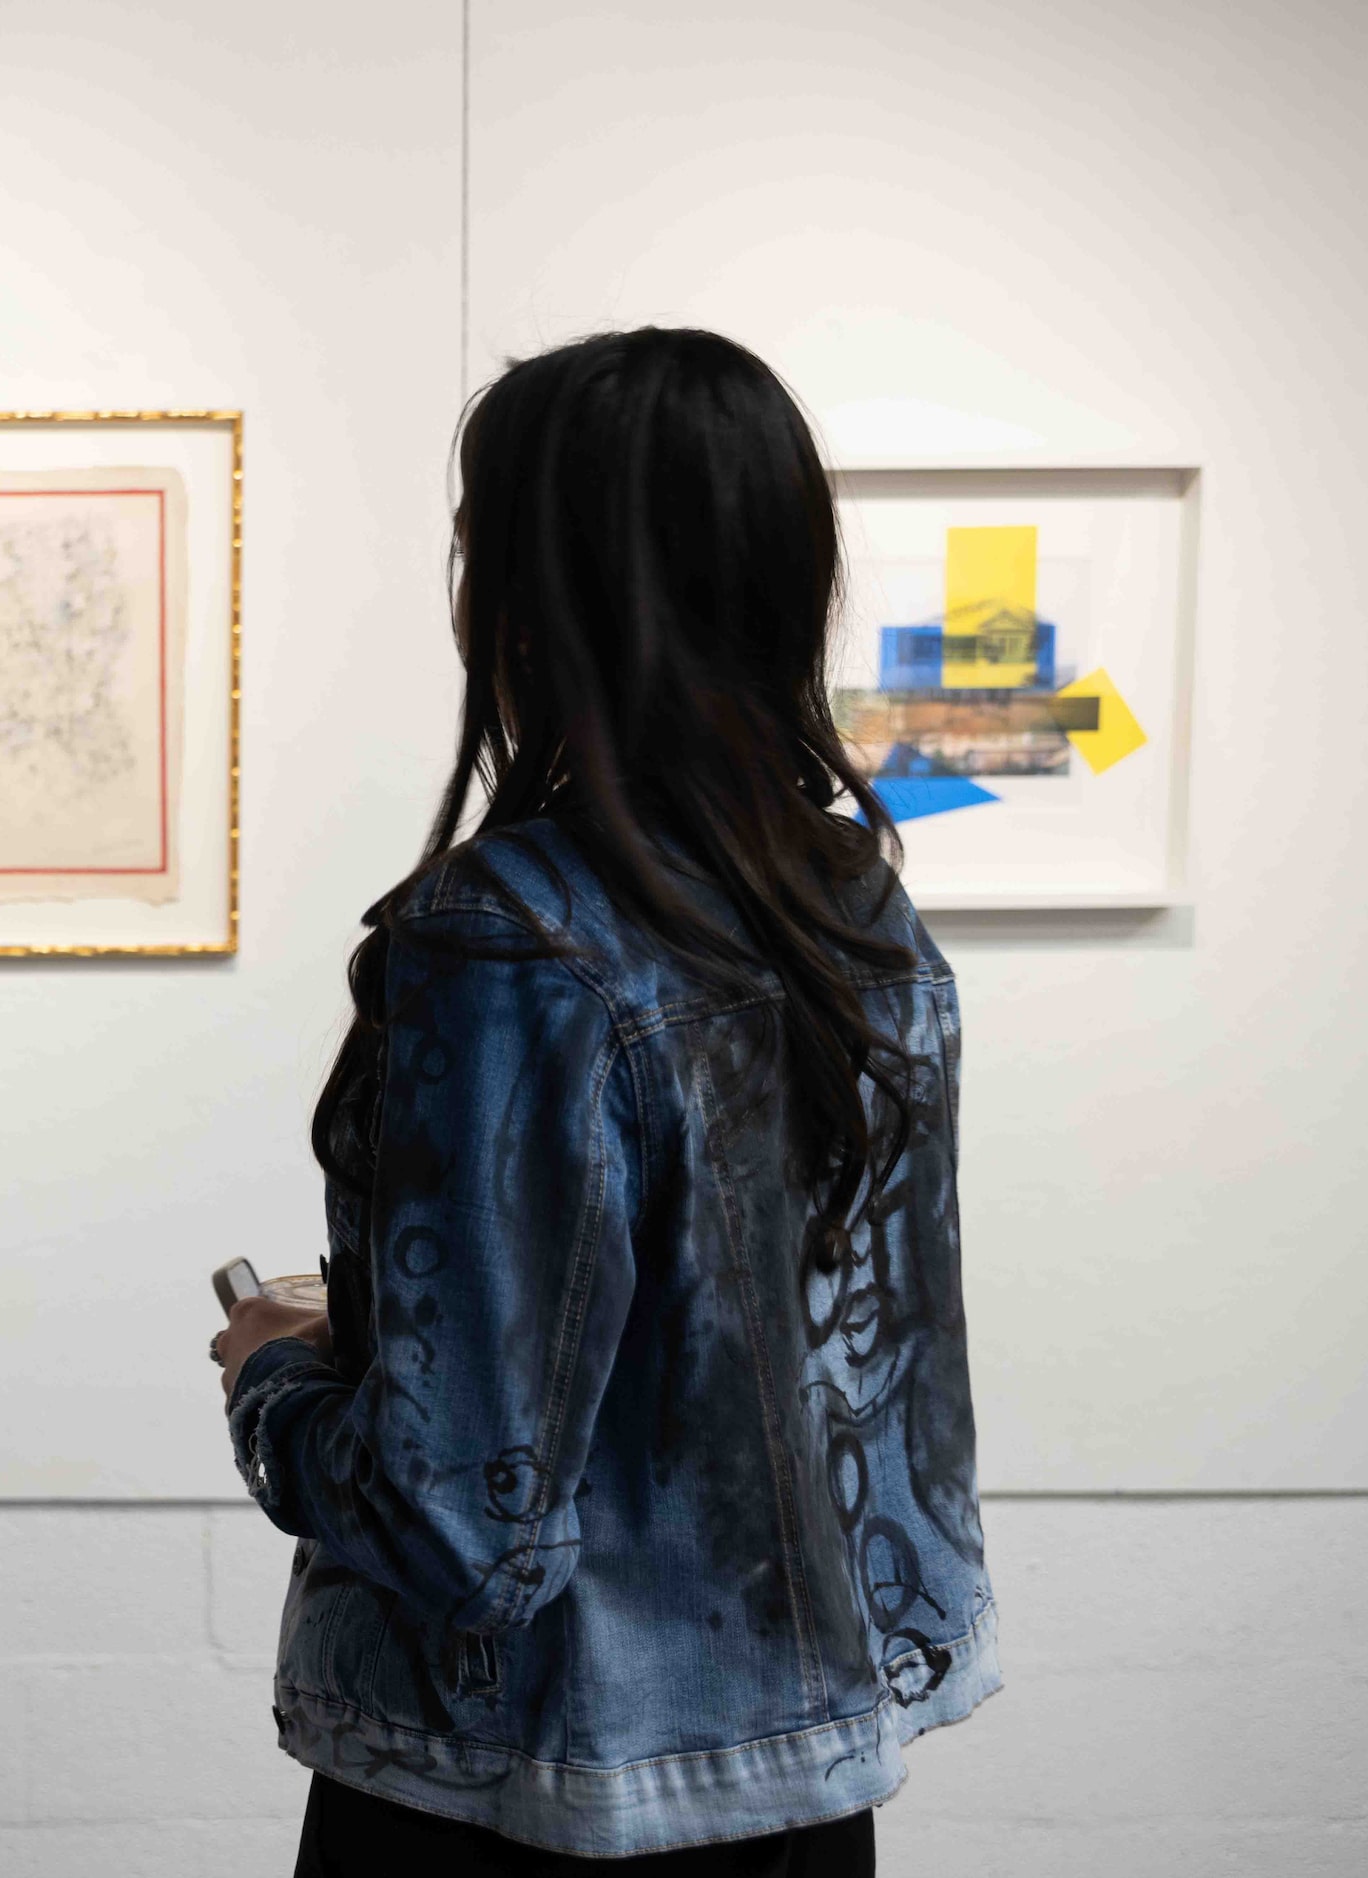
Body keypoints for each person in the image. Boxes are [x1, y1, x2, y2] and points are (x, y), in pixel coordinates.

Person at [216, 329, 996, 1874]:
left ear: (533, 595)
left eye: (475, 546)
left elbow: (464, 1529)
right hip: (806, 1794)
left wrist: (277, 1378)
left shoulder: (506, 939)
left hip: (521, 1800)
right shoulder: (857, 916)